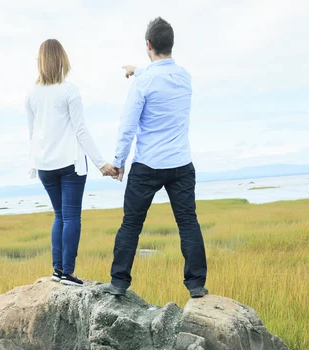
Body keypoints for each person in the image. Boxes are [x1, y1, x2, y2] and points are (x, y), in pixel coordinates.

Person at [103, 17, 209, 298]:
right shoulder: (185, 77)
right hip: (181, 165)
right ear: (171, 45)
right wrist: (136, 70)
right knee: (188, 223)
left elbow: (128, 125)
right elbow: (159, 75)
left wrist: (118, 162)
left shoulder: (144, 82)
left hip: (147, 165)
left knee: (131, 224)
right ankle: (196, 285)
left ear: (148, 45)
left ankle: (118, 283)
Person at [25, 39, 117, 287]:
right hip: (70, 164)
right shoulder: (69, 90)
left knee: (59, 215)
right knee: (71, 216)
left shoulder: (32, 95)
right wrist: (102, 164)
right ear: (62, 59)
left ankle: (58, 270)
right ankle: (67, 272)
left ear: (41, 62)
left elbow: (32, 135)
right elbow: (81, 130)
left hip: (45, 165)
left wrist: (34, 164)